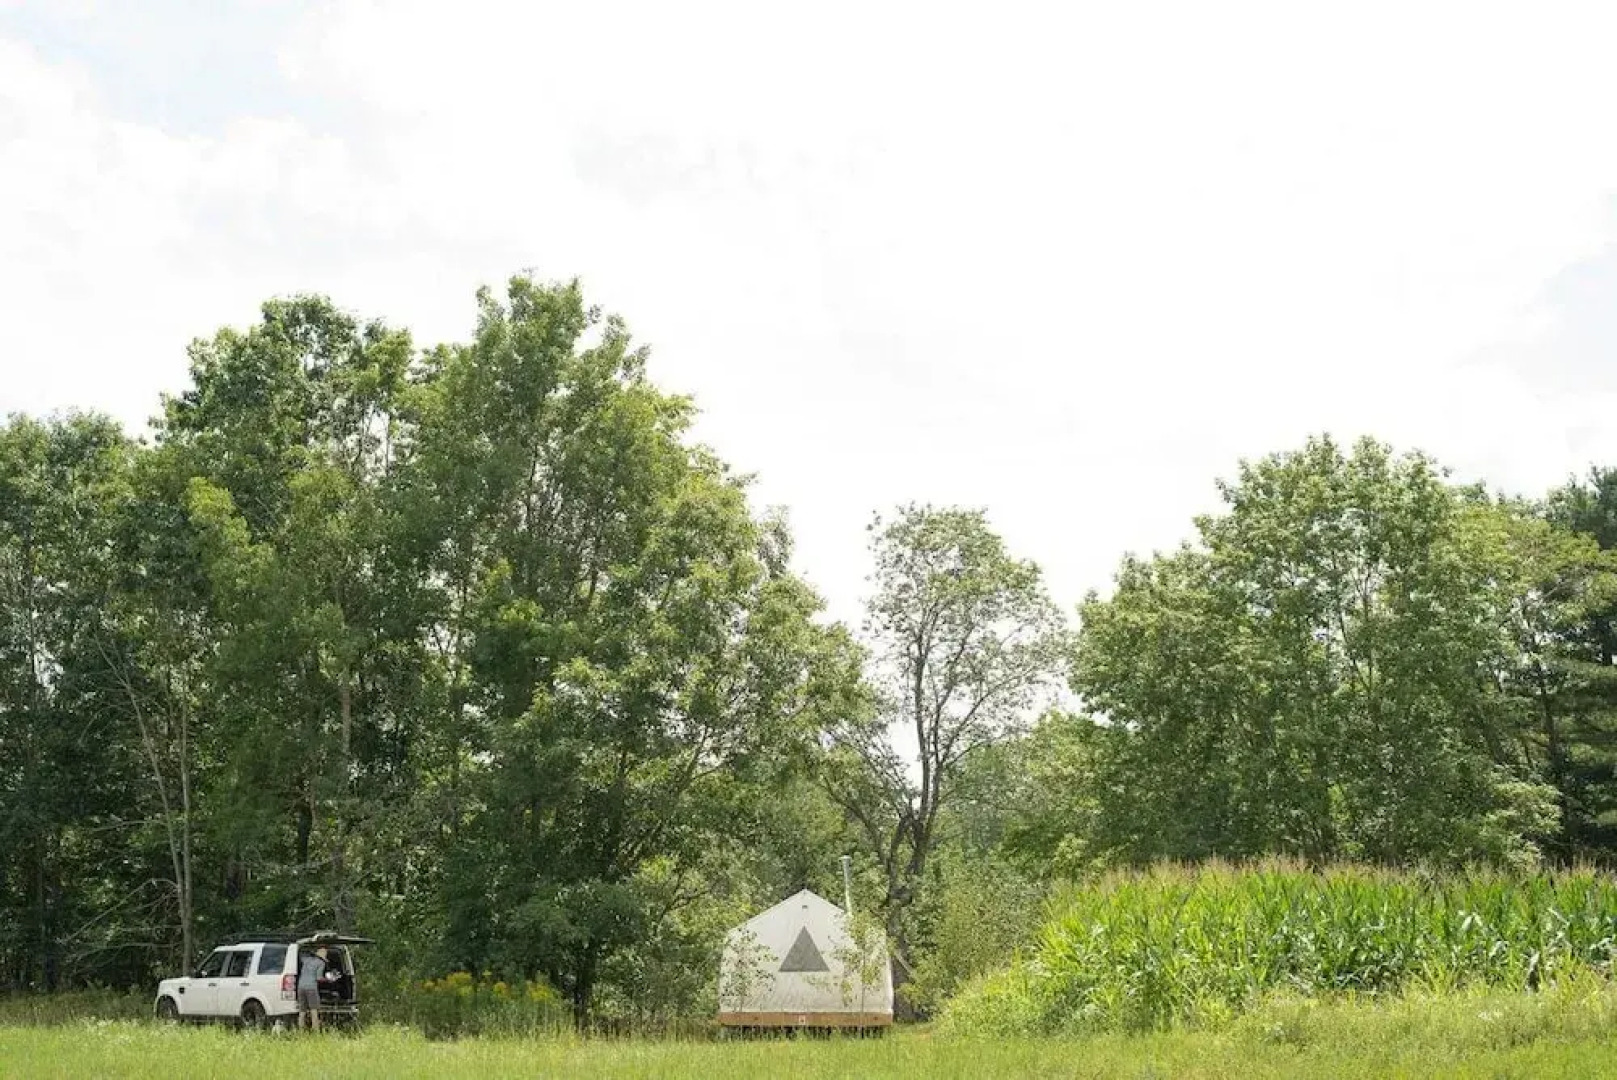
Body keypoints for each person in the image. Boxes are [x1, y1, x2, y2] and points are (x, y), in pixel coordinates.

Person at [297, 947, 328, 1032]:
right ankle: (315, 1030)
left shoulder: (306, 959)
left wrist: (308, 949)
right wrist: (327, 979)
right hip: (311, 988)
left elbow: (300, 954)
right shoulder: (321, 963)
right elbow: (319, 978)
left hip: (300, 986)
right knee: (314, 1010)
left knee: (302, 1010)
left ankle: (300, 1030)